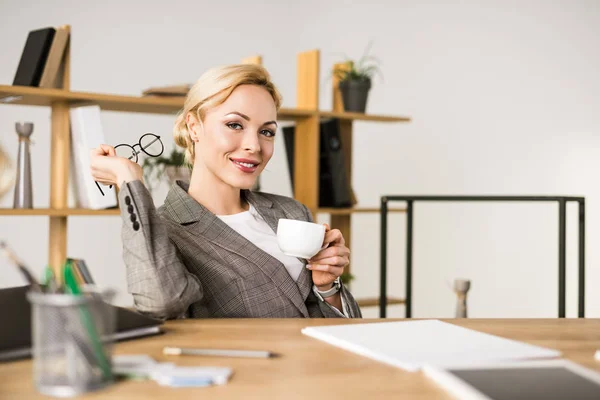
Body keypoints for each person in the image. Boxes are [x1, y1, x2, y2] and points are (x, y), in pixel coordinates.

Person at [89, 64, 362, 320]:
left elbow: (341, 325)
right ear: (194, 127)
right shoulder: (164, 229)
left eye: (267, 131)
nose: (254, 145)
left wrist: (328, 286)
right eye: (235, 125)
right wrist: (128, 180)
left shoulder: (291, 212)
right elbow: (162, 302)